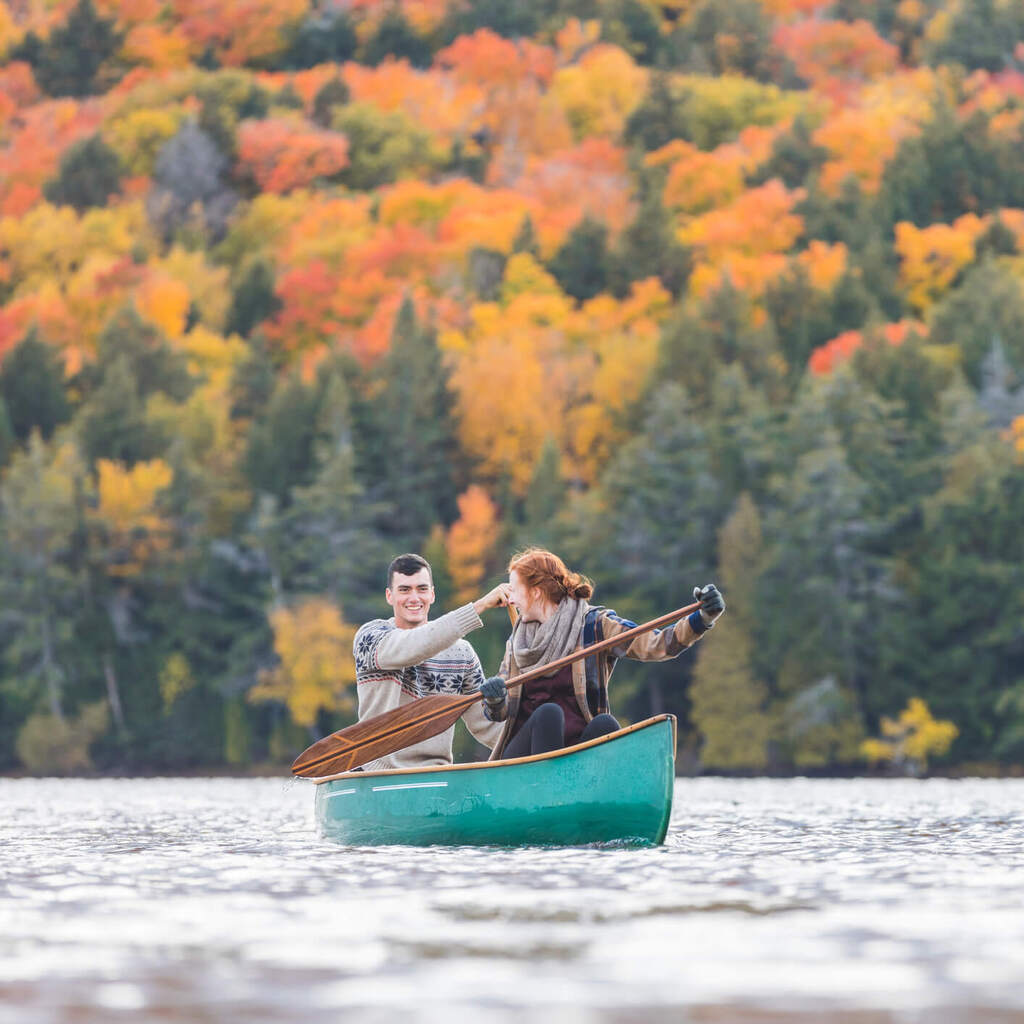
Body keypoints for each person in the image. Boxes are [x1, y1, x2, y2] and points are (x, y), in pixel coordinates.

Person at [478, 548, 725, 760]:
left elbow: (657, 644)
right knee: (548, 713)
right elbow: (499, 713)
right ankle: (549, 799)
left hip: (575, 753)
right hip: (525, 762)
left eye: (514, 590)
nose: (510, 599)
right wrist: (494, 699)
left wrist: (702, 618)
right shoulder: (517, 643)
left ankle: (597, 798)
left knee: (605, 725)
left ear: (536, 592)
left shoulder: (595, 625)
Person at [353, 552, 509, 771]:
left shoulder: (462, 653)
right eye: (405, 590)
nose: (414, 598)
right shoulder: (370, 638)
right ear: (389, 596)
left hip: (436, 773)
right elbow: (415, 645)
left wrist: (496, 705)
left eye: (422, 589)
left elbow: (487, 727)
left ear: (432, 595)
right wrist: (479, 606)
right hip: (377, 773)